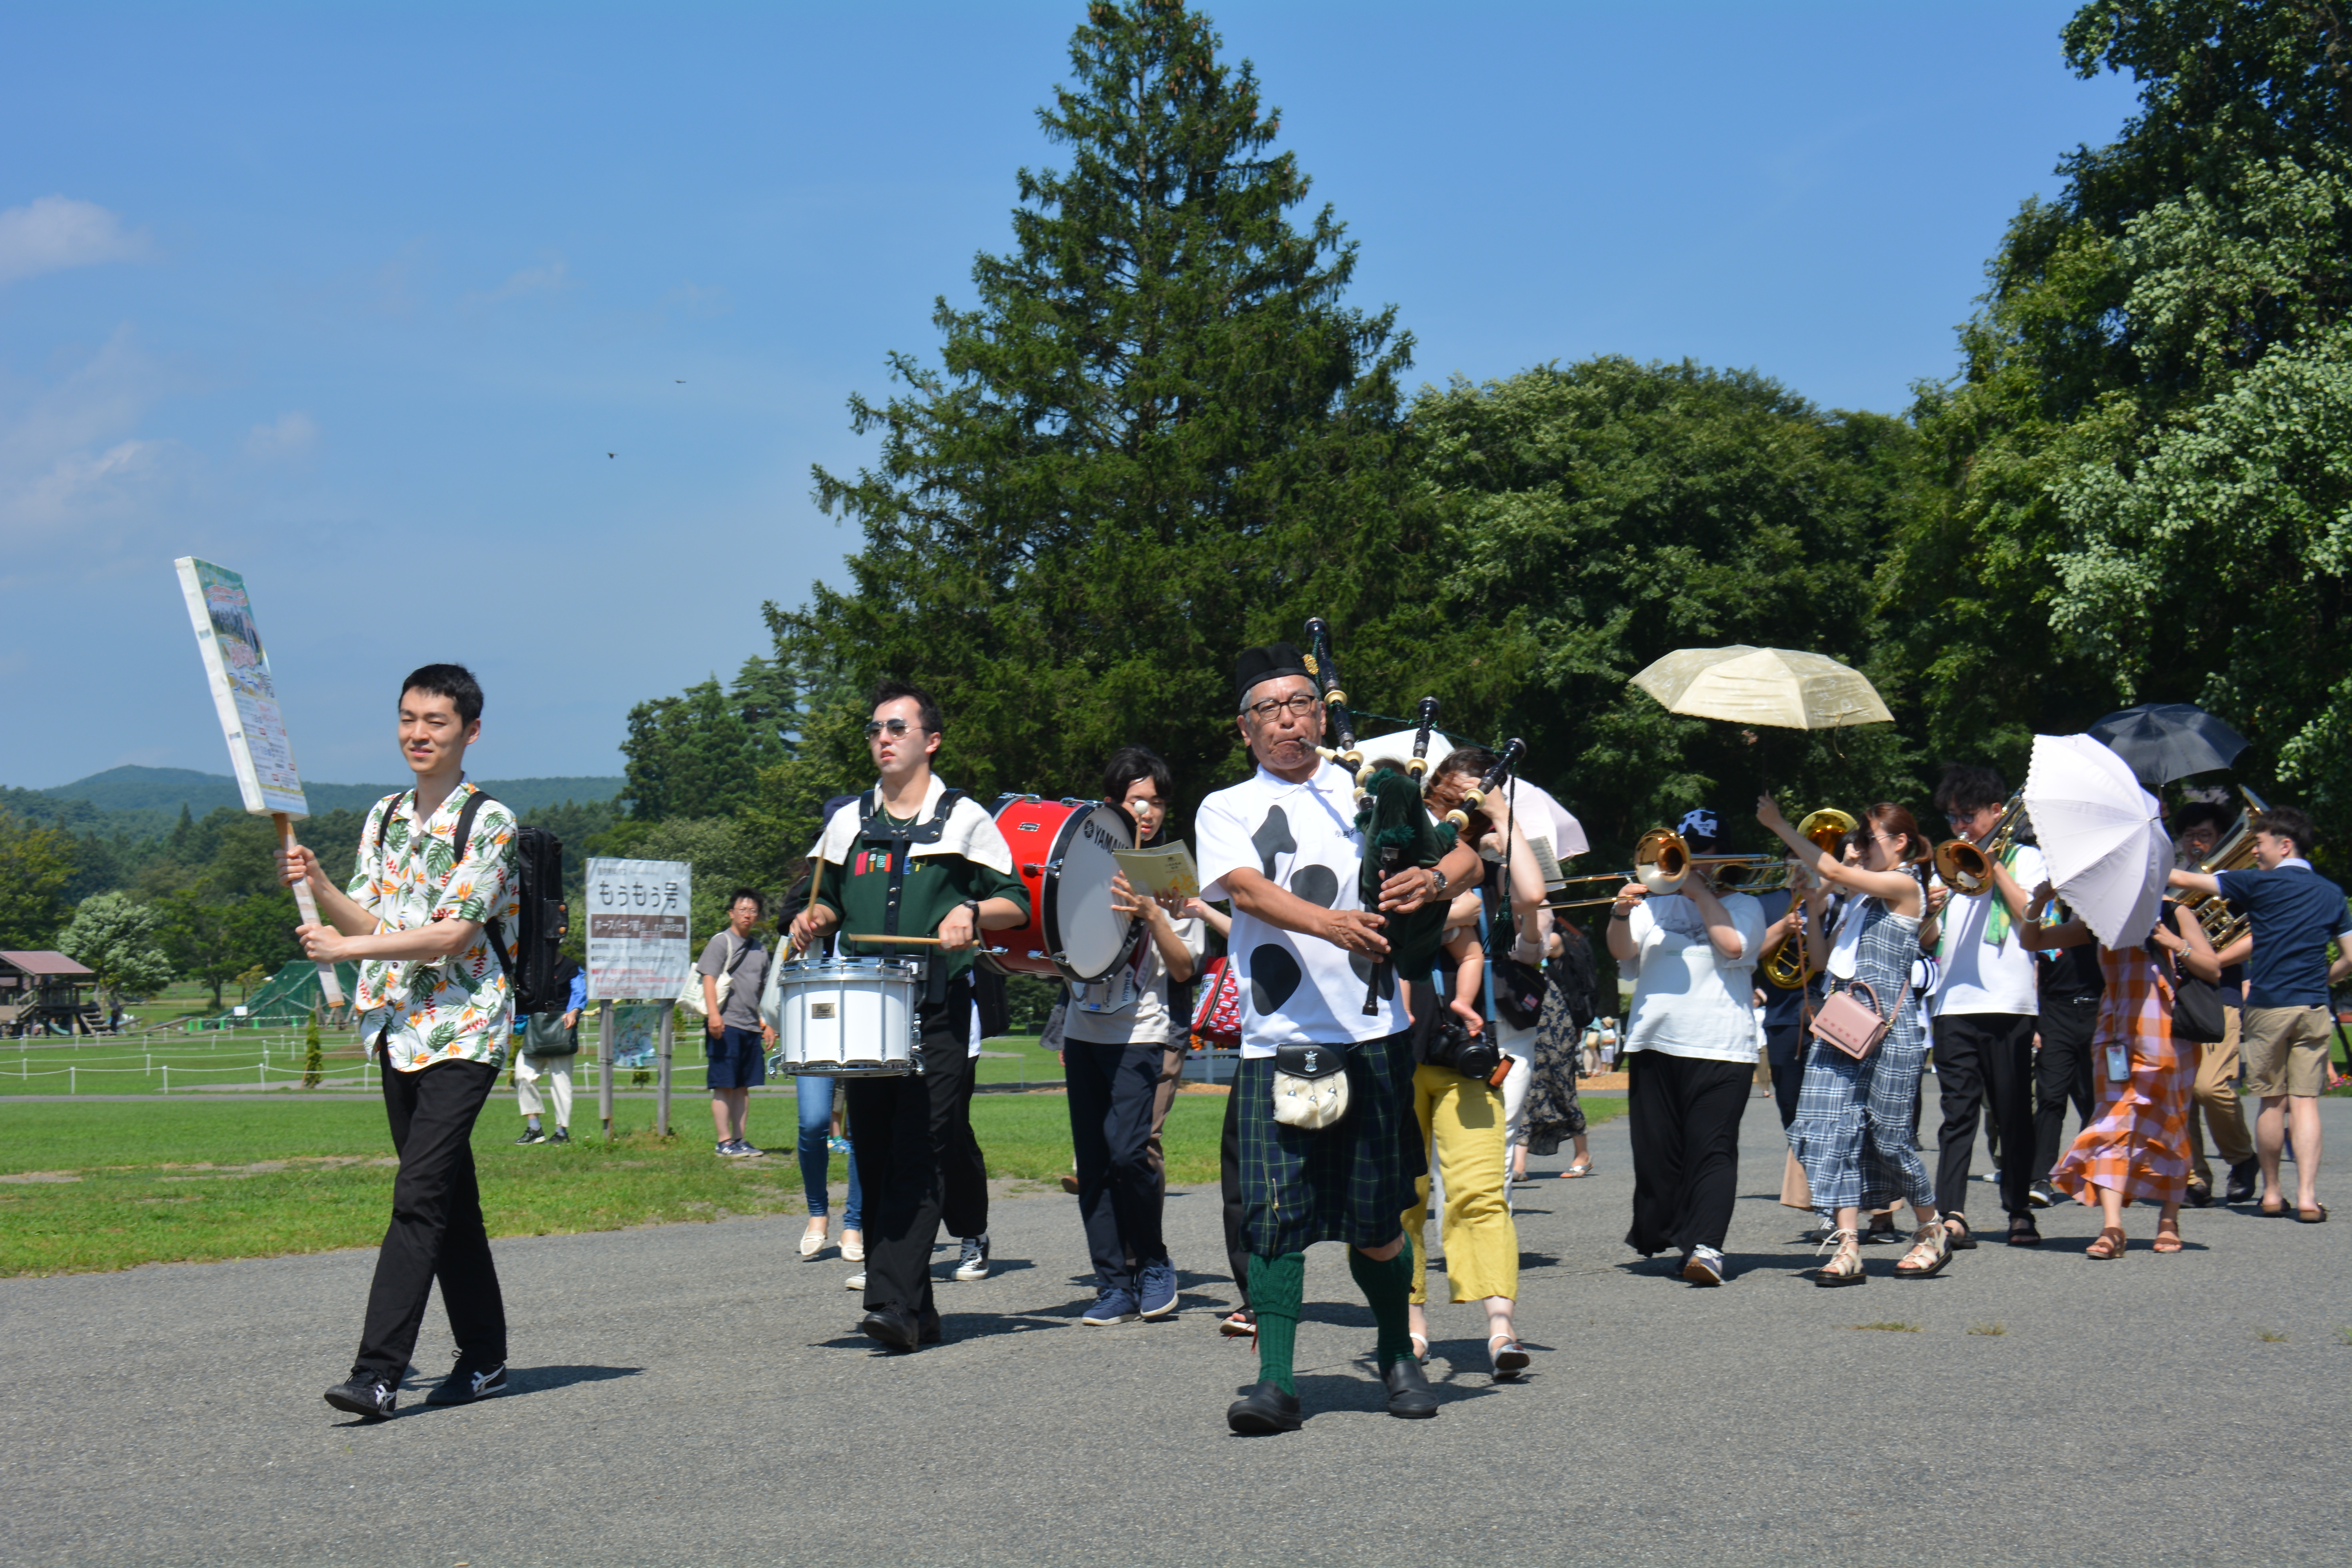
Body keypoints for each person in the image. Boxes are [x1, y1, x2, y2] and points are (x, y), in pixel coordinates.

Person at [1196, 644, 1482, 1433]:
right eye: (1268, 709)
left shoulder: (1372, 788)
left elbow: (1464, 853)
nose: (1288, 717)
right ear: (1246, 729)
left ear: (1324, 713)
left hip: (1375, 1034)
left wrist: (1435, 878)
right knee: (1274, 1215)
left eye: (1301, 702)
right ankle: (1276, 1381)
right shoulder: (1226, 806)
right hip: (1277, 1040)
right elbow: (1246, 888)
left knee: (1378, 1216)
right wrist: (1330, 923)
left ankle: (1397, 1354)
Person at [278, 663, 521, 1418]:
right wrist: (320, 886)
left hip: (465, 1028)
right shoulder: (383, 816)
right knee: (448, 1198)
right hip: (397, 1029)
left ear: (470, 732)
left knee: (416, 1195)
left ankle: (377, 1374)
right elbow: (373, 924)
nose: (419, 733)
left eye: (436, 722)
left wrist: (344, 953)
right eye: (409, 718)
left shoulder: (491, 823)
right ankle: (485, 1357)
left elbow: (450, 936)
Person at [788, 681, 1030, 1352]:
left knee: (922, 1149)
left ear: (931, 740)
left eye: (896, 727)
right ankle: (917, 1313)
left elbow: (1016, 901)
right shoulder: (848, 822)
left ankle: (889, 1299)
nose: (883, 738)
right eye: (874, 729)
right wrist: (816, 917)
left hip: (937, 1006)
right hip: (864, 1010)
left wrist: (970, 913)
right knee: (875, 1150)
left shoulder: (965, 819)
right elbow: (829, 896)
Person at [1760, 799, 1953, 1285]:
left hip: (1889, 1029)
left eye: (1865, 840)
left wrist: (1780, 825)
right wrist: (1813, 902)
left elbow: (1827, 864)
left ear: (1900, 842)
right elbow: (1823, 961)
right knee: (1829, 1127)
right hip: (1842, 1023)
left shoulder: (1906, 885)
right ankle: (1847, 1245)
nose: (1854, 848)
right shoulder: (1859, 900)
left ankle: (1931, 1227)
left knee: (1890, 1138)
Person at [1062, 744, 1202, 1325]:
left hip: (1144, 1032)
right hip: (1082, 1029)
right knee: (1094, 1163)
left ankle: (1153, 1262)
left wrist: (1152, 914)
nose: (1147, 811)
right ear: (1112, 804)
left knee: (1129, 1152)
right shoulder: (1081, 860)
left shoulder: (1173, 870)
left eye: (1156, 801)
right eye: (1134, 799)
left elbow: (1184, 966)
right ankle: (1112, 1284)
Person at [1607, 807, 1770, 1286]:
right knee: (1659, 1152)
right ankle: (1678, 1235)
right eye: (1687, 850)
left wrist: (1699, 892)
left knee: (1712, 1148)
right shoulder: (1653, 905)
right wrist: (1620, 911)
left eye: (1707, 850)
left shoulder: (1746, 905)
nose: (1696, 860)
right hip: (1655, 1041)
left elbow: (1733, 946)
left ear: (1727, 855)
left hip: (1721, 1044)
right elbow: (1621, 952)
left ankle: (1707, 1246)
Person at [2169, 804, 2352, 1223]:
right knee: (2305, 1103)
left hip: (2269, 1004)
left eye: (2260, 842)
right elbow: (2351, 957)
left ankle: (2271, 1193)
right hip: (2313, 1005)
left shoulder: (2259, 884)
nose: (2254, 851)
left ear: (2285, 845)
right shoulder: (2331, 892)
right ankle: (2307, 1197)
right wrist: (2326, 978)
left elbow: (2183, 878)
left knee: (2272, 1102)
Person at [2027, 886, 2220, 1254]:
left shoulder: (2174, 912)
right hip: (2115, 1035)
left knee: (2171, 1124)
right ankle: (2112, 1228)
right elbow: (2033, 940)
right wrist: (2039, 903)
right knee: (2111, 1124)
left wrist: (2173, 942)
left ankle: (2169, 1221)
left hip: (2168, 1037)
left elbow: (2212, 967)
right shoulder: (2102, 915)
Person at [1925, 764, 2047, 1249]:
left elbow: (2031, 918)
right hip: (1954, 1004)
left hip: (2010, 1003)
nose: (1959, 828)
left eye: (1968, 817)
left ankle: (2020, 1209)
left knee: (2013, 1112)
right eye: (1953, 818)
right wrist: (1929, 906)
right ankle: (1950, 1212)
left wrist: (1992, 864)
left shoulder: (2027, 859)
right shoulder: (1947, 863)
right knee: (1957, 1114)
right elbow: (1929, 939)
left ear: (1998, 813)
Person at [2171, 802, 2260, 1206]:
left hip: (2220, 991)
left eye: (2204, 835)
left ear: (2220, 838)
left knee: (2209, 1086)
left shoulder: (2236, 882)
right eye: (2190, 835)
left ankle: (2242, 1158)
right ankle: (2194, 1177)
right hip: (2177, 993)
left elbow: (2254, 933)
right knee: (2181, 1090)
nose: (2196, 843)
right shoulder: (2173, 887)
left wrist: (2212, 960)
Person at [2025, 909, 2102, 1214]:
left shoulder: (2104, 916)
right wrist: (2035, 1023)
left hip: (2098, 1009)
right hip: (2056, 1014)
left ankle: (2092, 1172)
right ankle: (2041, 1179)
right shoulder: (2050, 916)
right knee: (2051, 1098)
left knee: (2094, 1101)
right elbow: (2032, 970)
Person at [701, 889, 771, 1158]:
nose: (748, 915)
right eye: (743, 909)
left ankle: (740, 1140)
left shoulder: (761, 949)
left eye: (753, 910)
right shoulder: (721, 942)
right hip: (726, 1024)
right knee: (724, 1084)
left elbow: (764, 991)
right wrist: (714, 1016)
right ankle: (724, 1141)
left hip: (751, 1027)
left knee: (743, 1087)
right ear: (732, 913)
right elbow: (708, 978)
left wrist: (768, 1024)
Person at [512, 953, 586, 1144]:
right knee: (523, 1075)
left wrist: (574, 1011)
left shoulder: (571, 967)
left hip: (562, 1028)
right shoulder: (529, 967)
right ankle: (535, 1128)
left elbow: (580, 993)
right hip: (536, 1029)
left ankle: (562, 1132)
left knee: (561, 1083)